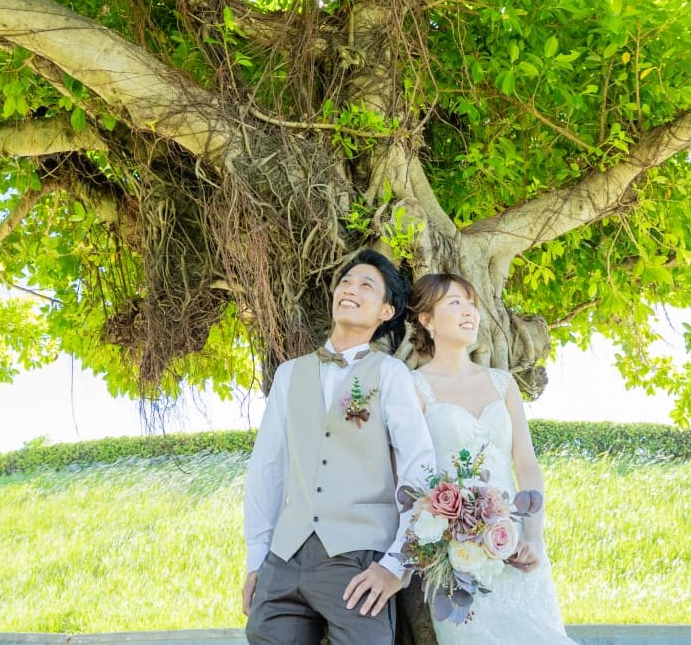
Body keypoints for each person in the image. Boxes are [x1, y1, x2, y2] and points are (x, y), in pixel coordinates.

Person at [243, 249, 435, 645]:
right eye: (346, 282)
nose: (350, 289)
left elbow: (420, 467)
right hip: (284, 559)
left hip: (358, 560)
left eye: (366, 285)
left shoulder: (391, 374)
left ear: (386, 311)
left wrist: (397, 565)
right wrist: (257, 558)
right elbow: (268, 469)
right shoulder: (289, 374)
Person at [407, 272, 575, 645]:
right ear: (427, 319)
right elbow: (409, 474)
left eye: (472, 304)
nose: (469, 312)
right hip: (455, 555)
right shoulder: (414, 387)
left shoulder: (503, 383)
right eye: (455, 303)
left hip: (514, 541)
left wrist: (533, 535)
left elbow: (526, 464)